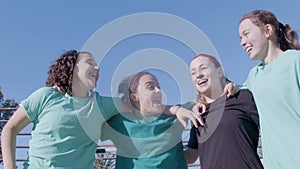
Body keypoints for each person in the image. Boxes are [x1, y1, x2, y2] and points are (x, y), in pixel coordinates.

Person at [1, 50, 122, 169]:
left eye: (97, 65)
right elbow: (10, 128)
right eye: (89, 62)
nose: (97, 68)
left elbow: (134, 103)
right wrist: (9, 167)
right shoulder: (45, 96)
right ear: (73, 67)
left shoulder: (101, 104)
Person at [238, 9, 300, 169]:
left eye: (246, 34)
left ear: (268, 30)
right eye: (240, 38)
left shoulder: (294, 60)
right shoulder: (254, 76)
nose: (242, 42)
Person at [101, 71, 198, 169]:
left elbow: (202, 100)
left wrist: (181, 110)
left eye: (159, 87)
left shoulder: (174, 118)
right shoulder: (119, 122)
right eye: (150, 87)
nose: (158, 91)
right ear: (135, 96)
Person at [184, 54, 263, 169]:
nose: (198, 75)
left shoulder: (243, 97)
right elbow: (191, 156)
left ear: (219, 72)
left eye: (203, 68)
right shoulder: (198, 114)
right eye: (193, 72)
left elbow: (272, 128)